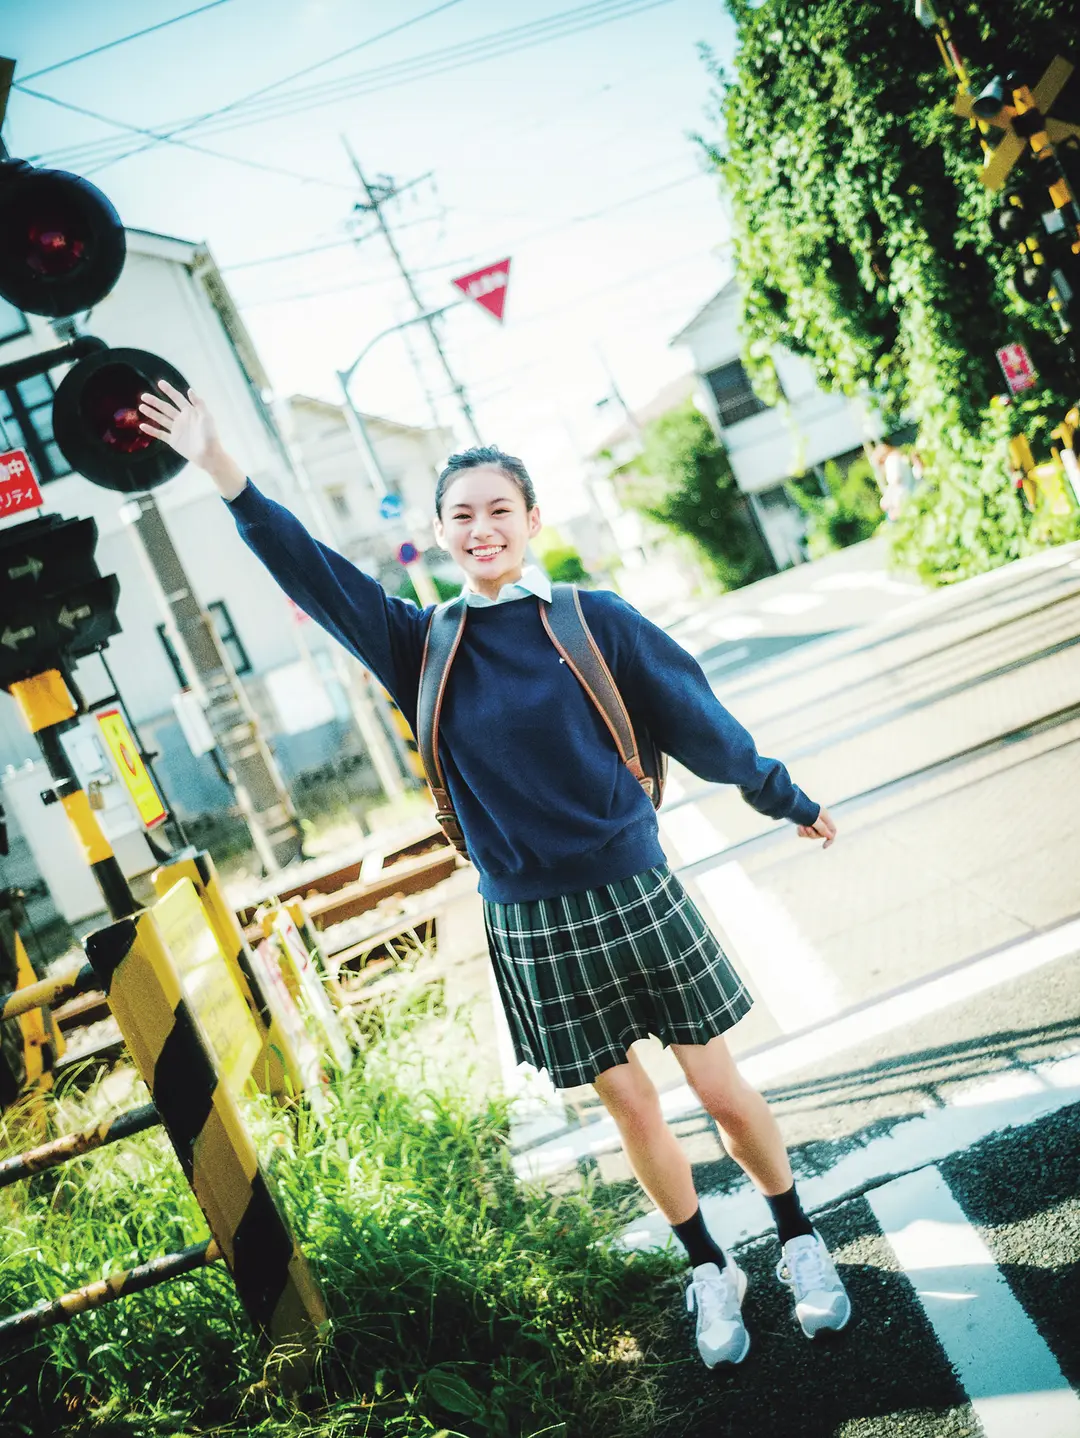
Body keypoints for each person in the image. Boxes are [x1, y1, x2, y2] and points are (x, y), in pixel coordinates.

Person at [138, 381, 851, 1369]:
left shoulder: (593, 618)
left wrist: (785, 795)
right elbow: (308, 569)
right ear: (438, 533)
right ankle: (707, 1265)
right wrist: (222, 468)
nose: (482, 529)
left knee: (717, 1084)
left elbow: (699, 718)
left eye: (499, 511)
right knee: (632, 1105)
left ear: (530, 521)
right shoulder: (419, 642)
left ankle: (798, 1238)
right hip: (530, 919)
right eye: (462, 515)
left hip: (639, 890)